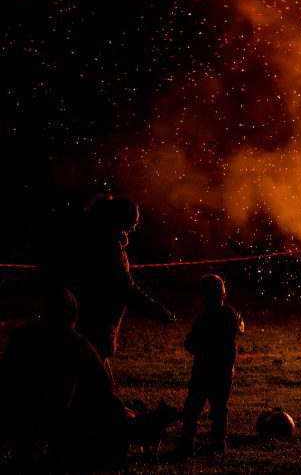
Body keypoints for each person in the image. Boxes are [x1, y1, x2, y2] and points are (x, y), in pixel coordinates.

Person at [45, 194, 175, 373]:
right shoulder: (109, 247)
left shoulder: (91, 236)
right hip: (96, 320)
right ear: (120, 219)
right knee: (92, 376)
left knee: (91, 373)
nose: (135, 227)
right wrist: (157, 311)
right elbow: (124, 288)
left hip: (86, 317)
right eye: (133, 220)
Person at [0, 289, 127, 469]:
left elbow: (6, 375)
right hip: (55, 415)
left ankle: (30, 455)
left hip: (17, 412)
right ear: (73, 316)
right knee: (111, 408)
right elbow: (104, 385)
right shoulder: (76, 343)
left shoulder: (22, 335)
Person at [179, 274, 244, 456]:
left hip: (203, 371)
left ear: (201, 298)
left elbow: (192, 344)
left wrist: (190, 342)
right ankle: (218, 444)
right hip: (223, 371)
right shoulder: (231, 315)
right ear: (223, 295)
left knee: (193, 408)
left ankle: (187, 444)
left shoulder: (203, 319)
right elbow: (238, 329)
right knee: (219, 408)